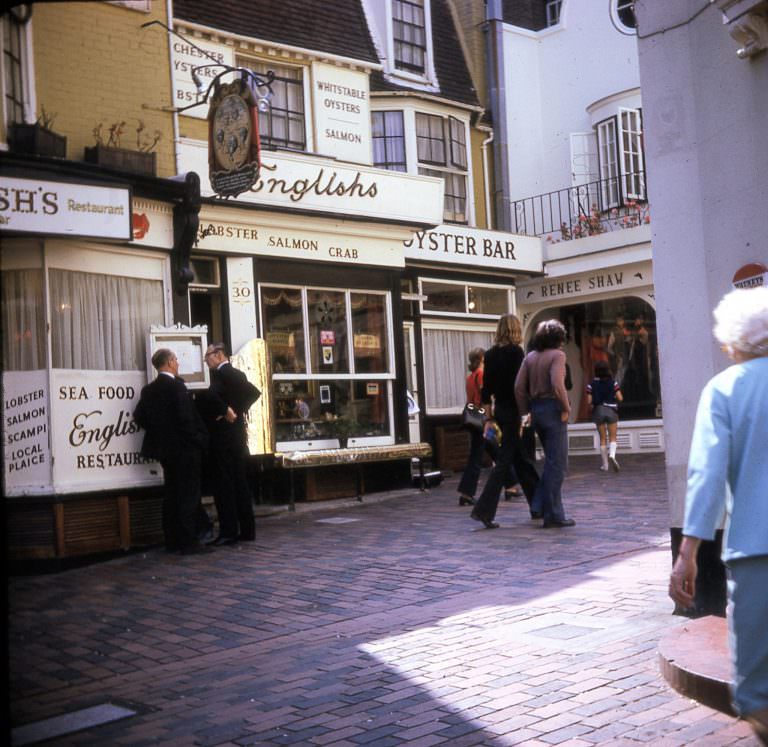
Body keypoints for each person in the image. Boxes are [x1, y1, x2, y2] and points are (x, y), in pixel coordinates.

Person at [669, 287, 768, 745]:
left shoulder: (724, 389)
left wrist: (688, 552)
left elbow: (706, 475)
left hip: (754, 550)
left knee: (757, 688)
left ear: (731, 343)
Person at [133, 348, 212, 555]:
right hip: (185, 450)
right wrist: (199, 440)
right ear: (168, 363)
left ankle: (172, 540)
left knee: (171, 494)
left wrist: (160, 432)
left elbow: (139, 416)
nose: (178, 363)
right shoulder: (178, 387)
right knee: (188, 495)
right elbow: (186, 420)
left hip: (165, 452)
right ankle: (188, 542)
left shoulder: (149, 390)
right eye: (176, 359)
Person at [470, 315, 540, 529]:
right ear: (515, 330)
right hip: (515, 411)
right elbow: (520, 386)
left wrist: (489, 417)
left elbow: (486, 390)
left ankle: (540, 505)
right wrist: (523, 415)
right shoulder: (516, 353)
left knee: (522, 461)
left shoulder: (490, 355)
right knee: (505, 462)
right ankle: (483, 510)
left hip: (499, 410)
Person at [515, 319, 575, 528]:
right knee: (557, 464)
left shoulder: (530, 357)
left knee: (551, 462)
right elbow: (558, 384)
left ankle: (540, 504)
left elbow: (519, 388)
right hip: (552, 409)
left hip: (535, 410)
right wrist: (566, 408)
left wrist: (525, 412)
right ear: (558, 338)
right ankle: (553, 514)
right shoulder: (558, 355)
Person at [204, 342, 261, 545]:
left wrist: (228, 411)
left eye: (208, 355)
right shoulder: (235, 374)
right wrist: (236, 410)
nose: (206, 360)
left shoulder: (222, 374)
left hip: (225, 438)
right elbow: (252, 393)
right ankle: (246, 530)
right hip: (235, 436)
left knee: (225, 484)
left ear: (218, 355)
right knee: (239, 483)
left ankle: (229, 531)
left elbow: (211, 396)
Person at [457, 347, 522, 508]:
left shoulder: (469, 377)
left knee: (495, 450)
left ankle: (510, 485)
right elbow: (485, 394)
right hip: (481, 418)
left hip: (472, 416)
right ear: (481, 360)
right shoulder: (480, 375)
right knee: (478, 455)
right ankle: (467, 493)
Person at [586, 360, 624, 472]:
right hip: (611, 410)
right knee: (613, 437)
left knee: (602, 438)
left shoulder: (591, 384)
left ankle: (605, 465)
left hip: (598, 411)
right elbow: (620, 398)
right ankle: (612, 455)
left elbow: (589, 401)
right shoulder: (613, 382)